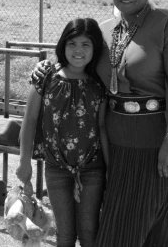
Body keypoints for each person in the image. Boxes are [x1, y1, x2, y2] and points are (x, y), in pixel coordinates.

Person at [32, 0, 168, 247]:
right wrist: (47, 66)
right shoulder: (106, 28)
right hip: (117, 144)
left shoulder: (166, 24)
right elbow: (77, 55)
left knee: (159, 222)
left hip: (159, 139)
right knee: (119, 221)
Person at [16, 18, 109, 247]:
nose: (78, 50)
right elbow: (30, 120)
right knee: (65, 234)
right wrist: (24, 162)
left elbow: (103, 128)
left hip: (92, 169)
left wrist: (111, 168)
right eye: (72, 43)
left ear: (95, 48)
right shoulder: (46, 77)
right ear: (62, 45)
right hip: (56, 168)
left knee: (89, 232)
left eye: (85, 44)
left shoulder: (100, 83)